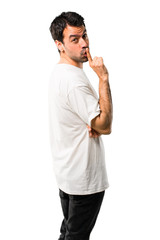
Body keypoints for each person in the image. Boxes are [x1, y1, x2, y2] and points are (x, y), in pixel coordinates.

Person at [49, 11, 113, 240]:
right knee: (76, 236)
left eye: (84, 35)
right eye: (74, 39)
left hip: (68, 174)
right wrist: (103, 78)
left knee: (68, 232)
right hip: (84, 180)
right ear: (60, 44)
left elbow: (83, 117)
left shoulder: (60, 71)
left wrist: (90, 121)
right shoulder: (74, 81)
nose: (84, 44)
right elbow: (105, 125)